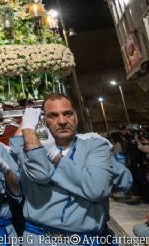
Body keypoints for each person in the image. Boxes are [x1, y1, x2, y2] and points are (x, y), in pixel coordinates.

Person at [10, 94, 112, 245]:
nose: (63, 121)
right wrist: (28, 129)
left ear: (76, 117)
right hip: (37, 239)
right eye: (53, 115)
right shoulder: (30, 149)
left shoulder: (95, 146)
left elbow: (96, 189)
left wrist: (54, 154)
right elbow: (35, 176)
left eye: (68, 113)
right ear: (43, 121)